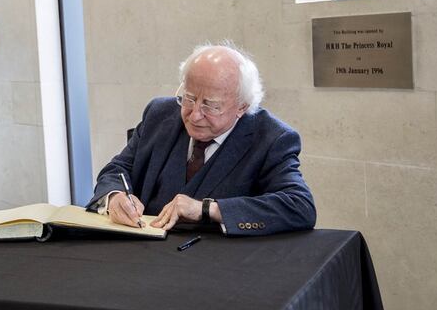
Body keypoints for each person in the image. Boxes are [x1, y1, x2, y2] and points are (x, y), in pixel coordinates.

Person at [87, 41, 316, 236]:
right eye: (189, 98)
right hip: (141, 252)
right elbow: (118, 169)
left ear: (242, 107)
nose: (194, 115)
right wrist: (114, 197)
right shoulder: (160, 114)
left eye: (211, 105)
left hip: (215, 268)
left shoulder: (272, 139)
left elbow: (300, 207)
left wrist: (207, 209)